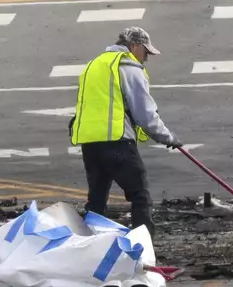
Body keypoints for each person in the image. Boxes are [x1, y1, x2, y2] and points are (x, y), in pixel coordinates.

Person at [69, 26, 183, 238]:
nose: (146, 58)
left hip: (90, 144)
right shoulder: (128, 67)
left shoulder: (94, 65)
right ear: (134, 46)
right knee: (140, 196)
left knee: (96, 200)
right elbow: (145, 114)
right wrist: (168, 138)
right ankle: (143, 247)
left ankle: (88, 247)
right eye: (145, 51)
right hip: (117, 143)